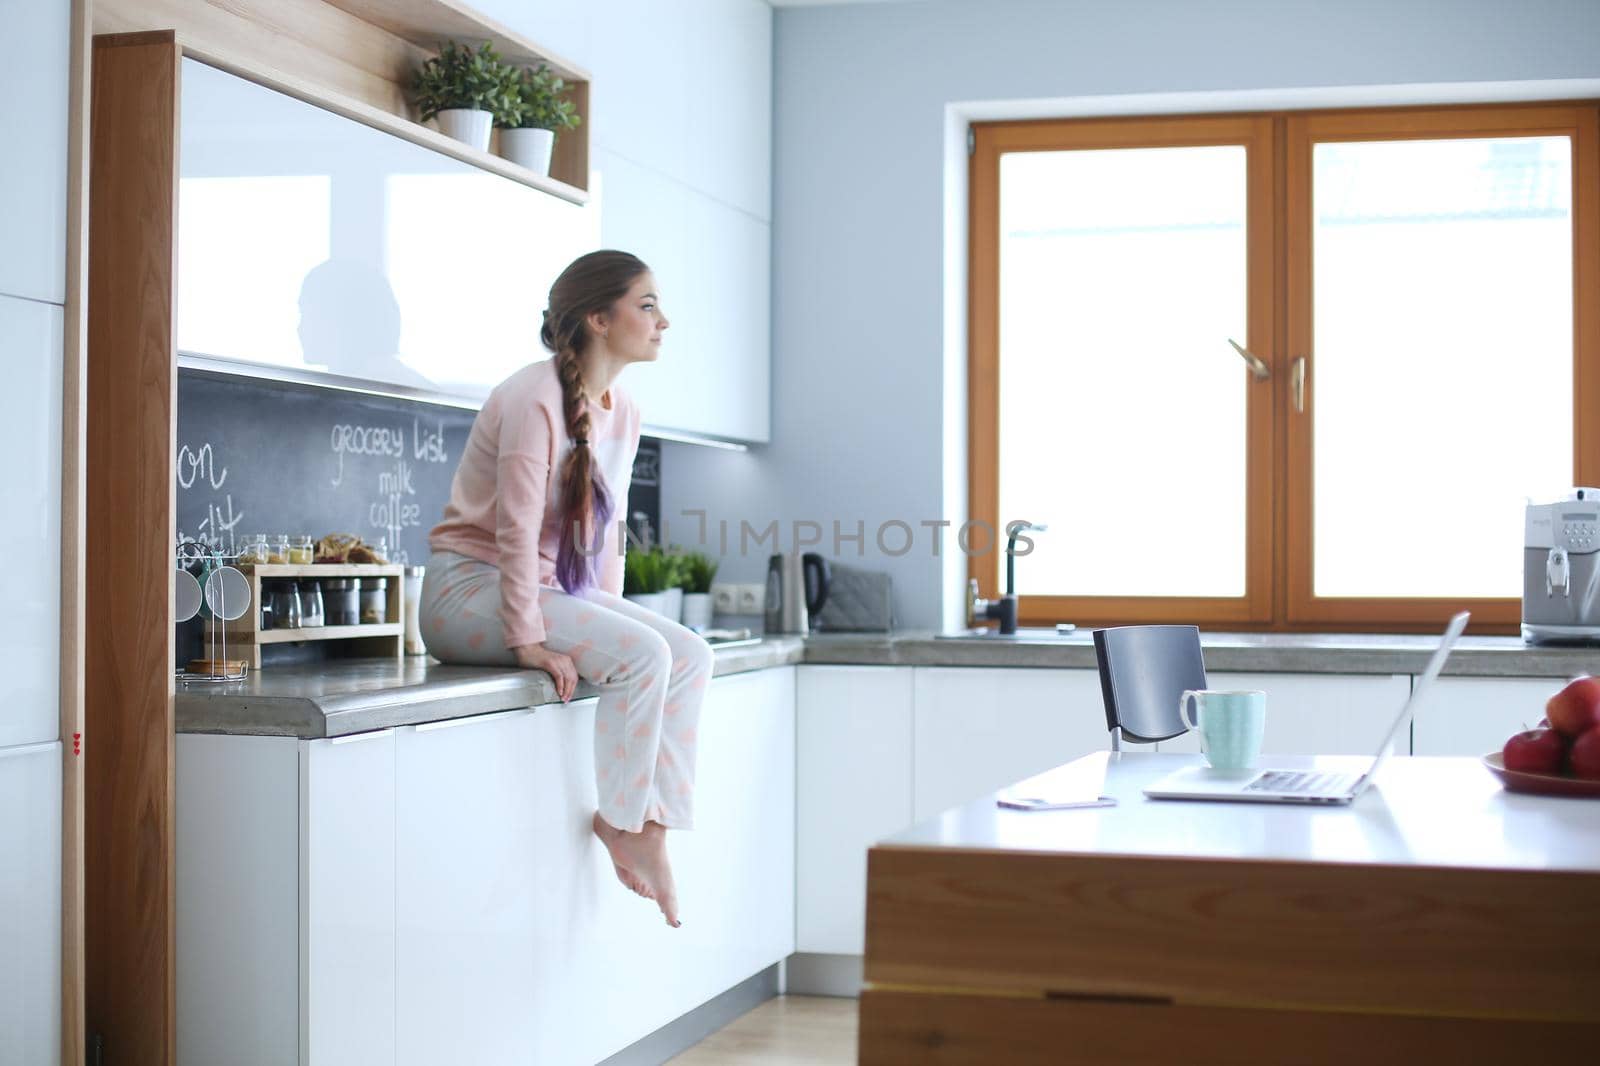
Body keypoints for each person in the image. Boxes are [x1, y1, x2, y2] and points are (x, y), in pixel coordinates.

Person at [419, 250, 712, 928]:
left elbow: (604, 535)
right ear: (597, 319)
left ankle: (652, 826)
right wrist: (527, 641)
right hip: (465, 596)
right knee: (646, 658)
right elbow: (516, 533)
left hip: (539, 593)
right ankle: (622, 821)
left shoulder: (623, 409)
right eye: (647, 305)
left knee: (692, 655)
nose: (663, 321)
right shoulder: (532, 399)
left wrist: (609, 614)